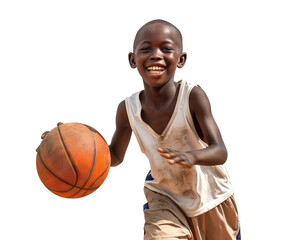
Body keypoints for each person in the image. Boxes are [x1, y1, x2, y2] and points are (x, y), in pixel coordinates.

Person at [109, 19, 241, 240]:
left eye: (166, 48)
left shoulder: (193, 97)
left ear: (181, 59)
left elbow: (220, 152)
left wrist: (191, 156)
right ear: (133, 60)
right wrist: (74, 144)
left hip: (211, 197)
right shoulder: (127, 110)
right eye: (146, 49)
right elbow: (113, 156)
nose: (156, 55)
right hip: (164, 196)